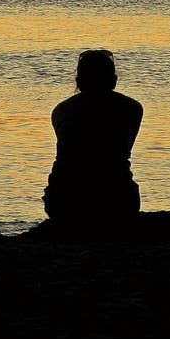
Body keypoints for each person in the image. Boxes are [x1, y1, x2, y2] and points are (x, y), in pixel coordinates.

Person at [42, 49, 143, 228]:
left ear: (78, 82)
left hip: (63, 200)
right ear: (114, 80)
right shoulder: (132, 109)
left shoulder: (61, 111)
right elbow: (123, 149)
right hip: (117, 200)